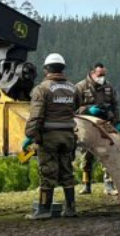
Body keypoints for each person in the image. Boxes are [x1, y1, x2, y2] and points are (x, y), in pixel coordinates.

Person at [24, 53, 79, 220]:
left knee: (48, 173)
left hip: (49, 137)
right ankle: (70, 208)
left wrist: (30, 135)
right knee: (67, 171)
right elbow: (76, 107)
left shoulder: (42, 89)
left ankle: (43, 210)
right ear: (62, 69)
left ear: (46, 69)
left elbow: (36, 116)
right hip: (68, 136)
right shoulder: (73, 88)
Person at [74, 62, 120, 194]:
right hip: (87, 126)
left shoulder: (108, 87)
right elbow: (73, 109)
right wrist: (88, 110)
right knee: (87, 157)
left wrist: (118, 122)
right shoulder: (80, 87)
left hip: (105, 125)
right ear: (93, 73)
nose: (102, 77)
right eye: (100, 75)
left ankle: (109, 185)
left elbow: (115, 105)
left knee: (108, 154)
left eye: (104, 75)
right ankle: (86, 185)